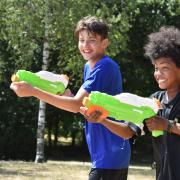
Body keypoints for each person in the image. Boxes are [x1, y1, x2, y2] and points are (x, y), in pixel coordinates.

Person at [10, 16, 140, 180]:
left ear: (105, 43)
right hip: (106, 156)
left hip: (110, 155)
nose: (85, 45)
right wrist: (68, 97)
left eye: (91, 40)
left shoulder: (104, 66)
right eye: (81, 40)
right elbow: (85, 107)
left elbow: (75, 104)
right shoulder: (90, 66)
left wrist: (34, 91)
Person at [144, 26, 180, 180]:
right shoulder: (154, 101)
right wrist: (103, 118)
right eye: (156, 68)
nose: (158, 74)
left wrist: (167, 125)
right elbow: (128, 130)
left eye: (164, 68)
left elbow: (167, 125)